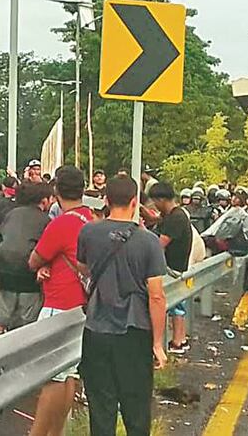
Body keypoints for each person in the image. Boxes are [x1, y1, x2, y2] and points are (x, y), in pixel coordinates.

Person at [76, 175, 168, 436]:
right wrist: (158, 343)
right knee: (136, 409)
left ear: (105, 200)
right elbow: (156, 296)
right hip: (134, 332)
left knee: (101, 409)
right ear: (135, 202)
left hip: (96, 331)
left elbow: (83, 267)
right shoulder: (148, 240)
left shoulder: (89, 232)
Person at [27, 166, 95, 436]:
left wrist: (43, 266)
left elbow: (33, 259)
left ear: (55, 190)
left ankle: (38, 433)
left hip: (58, 303)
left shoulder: (62, 223)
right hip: (81, 306)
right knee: (68, 376)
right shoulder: (90, 219)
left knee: (50, 377)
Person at [0, 181, 52, 332]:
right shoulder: (46, 220)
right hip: (28, 273)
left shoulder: (12, 214)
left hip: (3, 268)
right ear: (44, 201)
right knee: (27, 321)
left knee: (1, 317)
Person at [149, 182, 193, 355]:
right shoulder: (173, 215)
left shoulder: (176, 218)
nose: (154, 205)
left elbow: (160, 244)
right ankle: (179, 341)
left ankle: (176, 341)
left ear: (161, 199)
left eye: (155, 201)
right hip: (176, 267)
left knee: (174, 306)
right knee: (177, 306)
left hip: (172, 268)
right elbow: (158, 221)